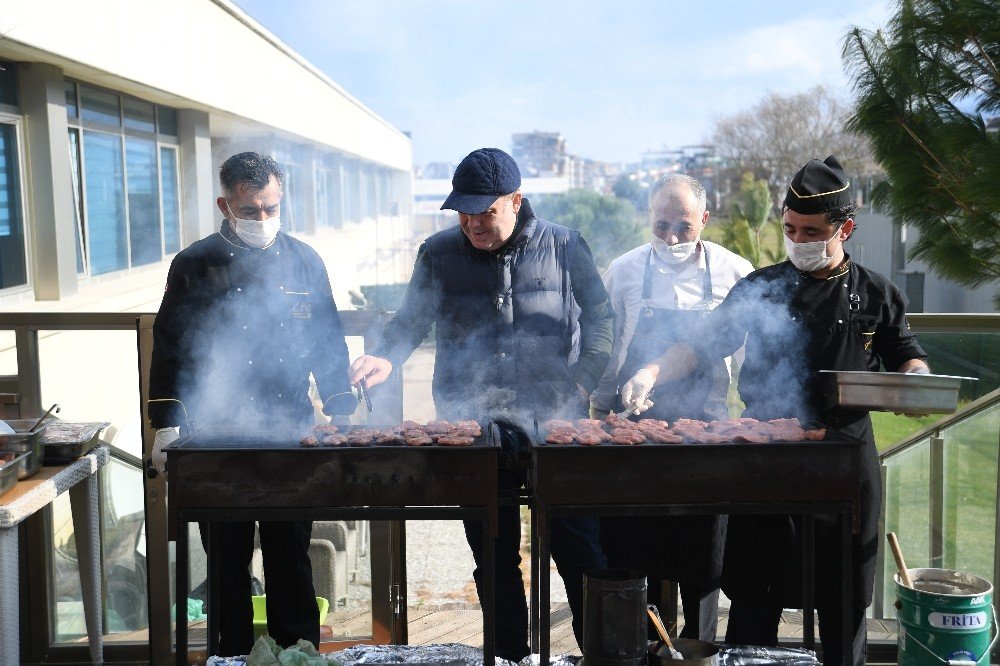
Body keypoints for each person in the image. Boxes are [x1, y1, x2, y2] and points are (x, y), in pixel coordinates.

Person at [622, 156, 929, 665]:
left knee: (845, 591)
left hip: (846, 457)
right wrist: (652, 371)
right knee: (754, 591)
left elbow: (906, 353)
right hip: (765, 454)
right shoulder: (761, 285)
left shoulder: (876, 292)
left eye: (811, 231)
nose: (798, 239)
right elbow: (704, 343)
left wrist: (916, 381)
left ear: (845, 228)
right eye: (790, 229)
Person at [348, 147, 613, 661]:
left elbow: (600, 317)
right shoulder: (438, 252)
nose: (472, 224)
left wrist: (583, 383)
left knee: (579, 549)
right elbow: (410, 321)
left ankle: (602, 655)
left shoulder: (563, 245)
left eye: (485, 212)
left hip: (554, 419)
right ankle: (510, 656)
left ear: (516, 200)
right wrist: (385, 356)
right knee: (493, 554)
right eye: (463, 213)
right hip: (470, 424)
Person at [148, 152, 356, 656]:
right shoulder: (194, 264)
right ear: (225, 204)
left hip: (289, 428)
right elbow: (170, 344)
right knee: (225, 557)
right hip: (215, 433)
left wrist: (340, 409)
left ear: (280, 199)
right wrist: (166, 425)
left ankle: (299, 652)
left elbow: (327, 339)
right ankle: (229, 654)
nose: (262, 219)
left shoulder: (305, 260)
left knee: (291, 554)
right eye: (250, 210)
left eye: (270, 208)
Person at [592, 173, 753, 641]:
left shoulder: (733, 270)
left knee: (703, 548)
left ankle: (697, 642)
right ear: (649, 218)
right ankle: (640, 642)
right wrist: (601, 411)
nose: (671, 237)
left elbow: (746, 355)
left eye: (683, 226)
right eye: (661, 225)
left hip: (705, 426)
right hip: (635, 428)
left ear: (705, 218)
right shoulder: (624, 270)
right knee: (634, 542)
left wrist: (754, 411)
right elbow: (608, 348)